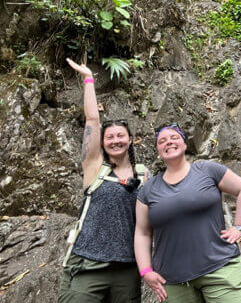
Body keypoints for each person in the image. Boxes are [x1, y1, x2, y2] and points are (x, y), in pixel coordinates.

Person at [58, 58, 148, 303]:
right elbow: (92, 121)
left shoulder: (143, 174)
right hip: (88, 262)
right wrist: (88, 79)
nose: (115, 140)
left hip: (127, 267)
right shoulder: (94, 166)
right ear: (103, 142)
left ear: (131, 140)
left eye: (121, 135)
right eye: (109, 137)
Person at [134, 123, 241, 303]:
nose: (169, 143)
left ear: (184, 144)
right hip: (173, 282)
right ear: (158, 150)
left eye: (174, 138)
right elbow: (142, 233)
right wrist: (145, 271)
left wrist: (238, 227)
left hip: (220, 268)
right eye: (162, 141)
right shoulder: (148, 191)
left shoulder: (207, 170)